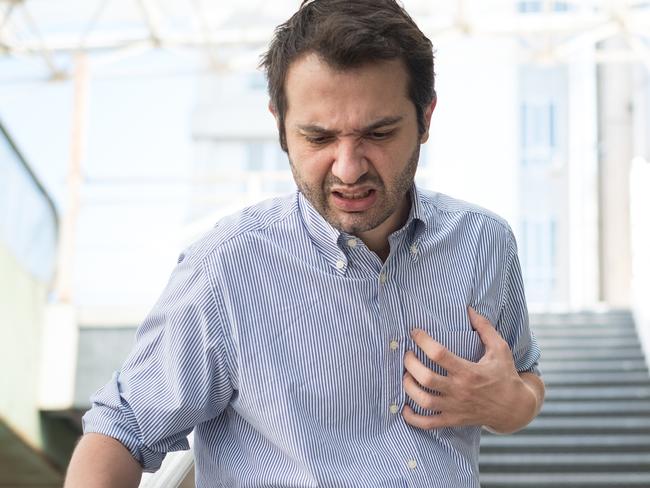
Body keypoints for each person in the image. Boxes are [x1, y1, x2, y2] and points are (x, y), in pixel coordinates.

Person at [65, 1, 544, 487]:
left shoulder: (486, 243)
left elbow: (523, 376)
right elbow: (121, 430)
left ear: (425, 117)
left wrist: (509, 406)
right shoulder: (226, 267)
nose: (348, 168)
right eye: (318, 138)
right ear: (279, 126)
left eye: (379, 133)